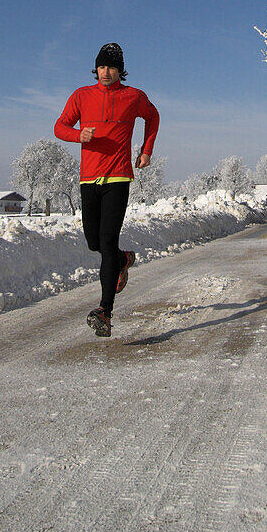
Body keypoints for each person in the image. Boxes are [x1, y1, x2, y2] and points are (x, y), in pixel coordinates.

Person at [54, 43, 159, 337]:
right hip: (88, 179)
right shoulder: (81, 96)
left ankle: (105, 311)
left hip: (117, 178)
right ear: (96, 68)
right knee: (94, 242)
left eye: (112, 67)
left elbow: (153, 117)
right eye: (101, 67)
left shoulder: (133, 96)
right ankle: (123, 259)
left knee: (107, 239)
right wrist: (79, 135)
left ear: (120, 70)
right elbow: (59, 127)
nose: (106, 72)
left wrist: (146, 150)